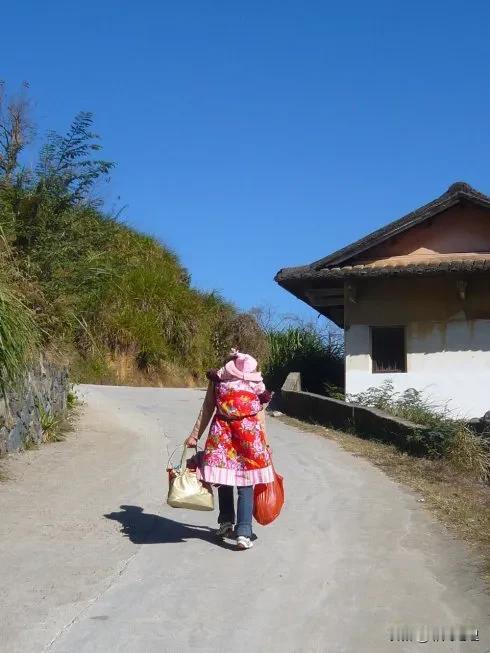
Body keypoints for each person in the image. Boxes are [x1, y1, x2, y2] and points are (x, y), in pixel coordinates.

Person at [185, 349, 273, 550]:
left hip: (222, 435)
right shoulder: (256, 385)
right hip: (249, 438)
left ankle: (225, 523)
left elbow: (207, 408)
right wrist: (265, 444)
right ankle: (243, 532)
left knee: (224, 479)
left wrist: (194, 436)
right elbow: (259, 417)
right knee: (245, 483)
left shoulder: (218, 381)